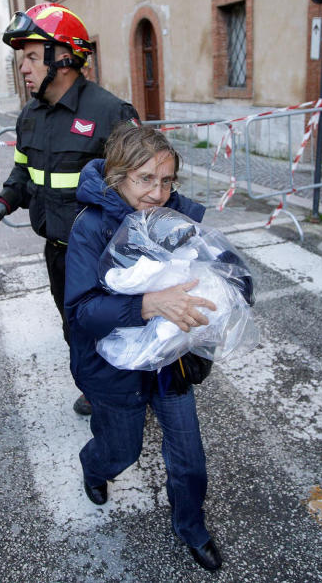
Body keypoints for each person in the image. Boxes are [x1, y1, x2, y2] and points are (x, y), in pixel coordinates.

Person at [64, 125, 224, 571]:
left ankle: (192, 528)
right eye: (145, 179)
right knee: (123, 451)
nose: (158, 192)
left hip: (169, 363)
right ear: (118, 177)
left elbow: (205, 268)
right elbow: (80, 312)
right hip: (110, 369)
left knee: (189, 459)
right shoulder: (90, 228)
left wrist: (227, 292)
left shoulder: (175, 218)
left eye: (167, 180)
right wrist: (149, 304)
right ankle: (94, 467)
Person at [0, 2, 139, 416]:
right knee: (74, 326)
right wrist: (4, 200)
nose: (24, 67)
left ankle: (128, 392)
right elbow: (23, 172)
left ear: (65, 58)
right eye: (22, 58)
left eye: (32, 56)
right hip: (57, 250)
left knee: (114, 326)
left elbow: (143, 190)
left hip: (103, 254)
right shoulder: (30, 116)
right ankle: (96, 386)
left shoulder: (111, 113)